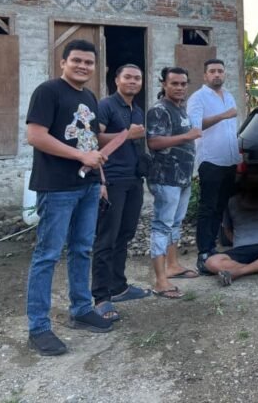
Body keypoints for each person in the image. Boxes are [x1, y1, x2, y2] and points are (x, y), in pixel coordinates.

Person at [25, 39, 112, 356]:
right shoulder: (48, 91)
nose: (83, 66)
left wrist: (99, 178)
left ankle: (81, 309)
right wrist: (79, 157)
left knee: (82, 249)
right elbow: (35, 135)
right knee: (47, 255)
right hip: (57, 187)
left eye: (88, 62)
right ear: (63, 62)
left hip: (87, 186)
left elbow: (90, 142)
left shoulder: (88, 96)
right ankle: (39, 327)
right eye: (76, 60)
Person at [91, 64, 151, 322]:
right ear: (116, 80)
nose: (133, 82)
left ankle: (119, 286)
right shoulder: (106, 106)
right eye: (127, 77)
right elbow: (94, 139)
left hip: (133, 180)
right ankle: (101, 297)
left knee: (125, 234)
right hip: (112, 179)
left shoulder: (136, 109)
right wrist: (128, 134)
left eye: (137, 78)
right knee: (106, 238)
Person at [146, 67, 202, 299]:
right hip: (165, 178)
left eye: (183, 83)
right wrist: (186, 137)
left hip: (182, 178)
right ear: (163, 84)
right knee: (162, 225)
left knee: (175, 224)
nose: (179, 87)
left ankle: (173, 265)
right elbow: (154, 142)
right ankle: (160, 280)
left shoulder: (179, 108)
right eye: (174, 83)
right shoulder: (159, 110)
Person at [186, 58, 240, 275]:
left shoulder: (228, 95)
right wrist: (223, 115)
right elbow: (195, 126)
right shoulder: (198, 98)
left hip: (229, 159)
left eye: (220, 71)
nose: (217, 74)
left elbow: (231, 128)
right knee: (208, 207)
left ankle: (212, 246)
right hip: (210, 161)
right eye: (212, 71)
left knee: (220, 206)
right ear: (205, 75)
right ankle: (203, 251)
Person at [204, 164, 258, 285]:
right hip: (241, 249)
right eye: (251, 181)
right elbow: (227, 229)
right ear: (244, 183)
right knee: (210, 262)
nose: (253, 185)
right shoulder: (232, 202)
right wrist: (237, 242)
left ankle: (238, 272)